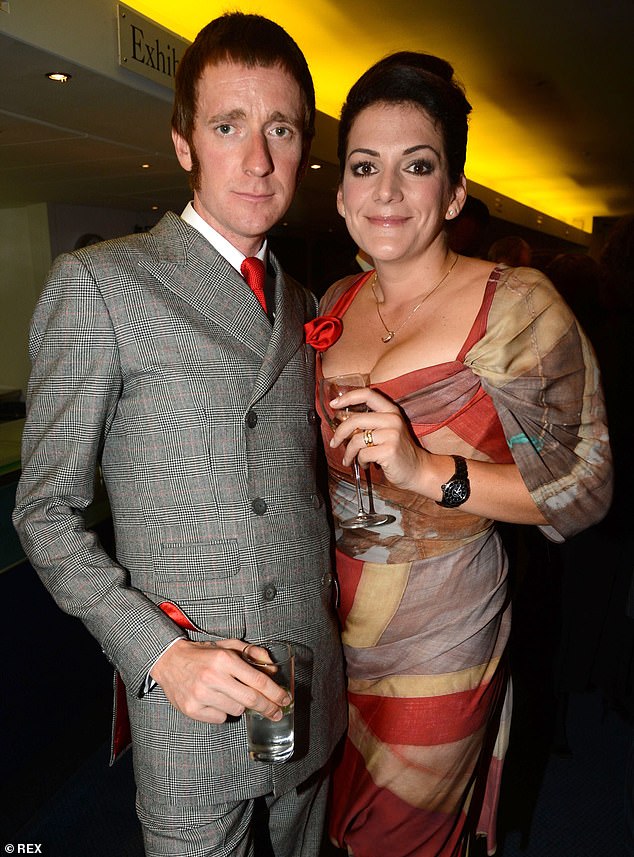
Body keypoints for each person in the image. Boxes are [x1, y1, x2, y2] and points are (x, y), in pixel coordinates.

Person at [13, 13, 346, 857]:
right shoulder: (102, 285)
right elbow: (43, 513)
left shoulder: (305, 301)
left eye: (282, 128)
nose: (259, 157)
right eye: (228, 126)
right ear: (183, 143)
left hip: (307, 671)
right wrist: (158, 653)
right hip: (194, 691)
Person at [308, 51, 612, 856]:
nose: (387, 192)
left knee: (399, 839)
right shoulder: (335, 303)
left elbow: (584, 491)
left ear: (454, 193)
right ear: (339, 193)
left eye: (419, 167)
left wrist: (423, 470)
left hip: (443, 625)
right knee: (334, 826)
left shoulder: (515, 304)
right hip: (333, 620)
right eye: (365, 167)